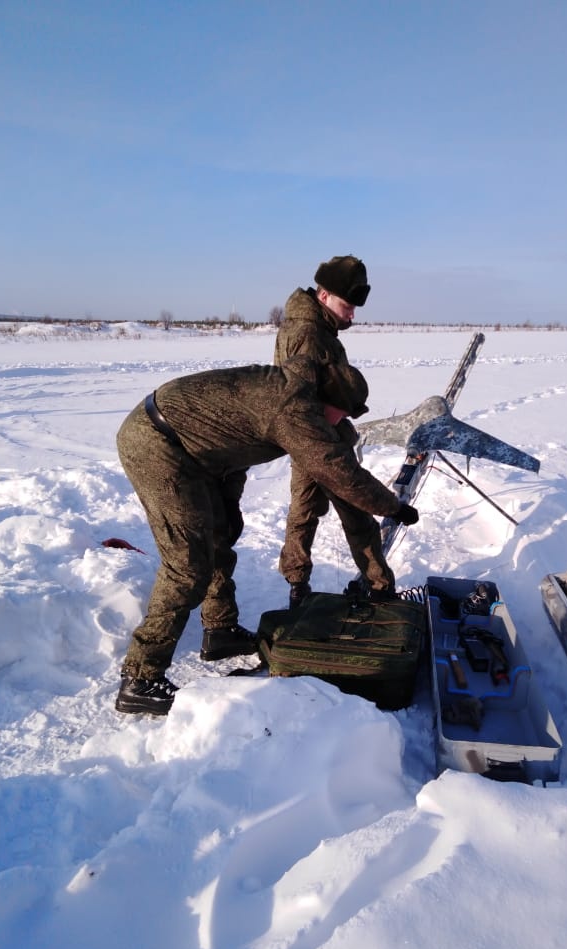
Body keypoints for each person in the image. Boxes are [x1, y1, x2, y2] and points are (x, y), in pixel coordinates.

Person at [114, 361, 419, 717]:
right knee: (187, 566)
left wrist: (227, 504)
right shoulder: (294, 410)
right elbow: (340, 473)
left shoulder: (296, 397)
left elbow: (233, 441)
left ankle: (220, 630)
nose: (339, 423)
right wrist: (392, 507)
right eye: (340, 414)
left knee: (219, 538)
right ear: (326, 401)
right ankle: (140, 678)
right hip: (157, 444)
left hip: (198, 454)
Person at [274, 255, 396, 609]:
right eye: (348, 305)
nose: (353, 314)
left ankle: (297, 587)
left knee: (304, 509)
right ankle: (380, 588)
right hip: (319, 439)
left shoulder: (310, 325)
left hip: (307, 437)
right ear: (324, 295)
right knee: (357, 512)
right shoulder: (310, 335)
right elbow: (298, 397)